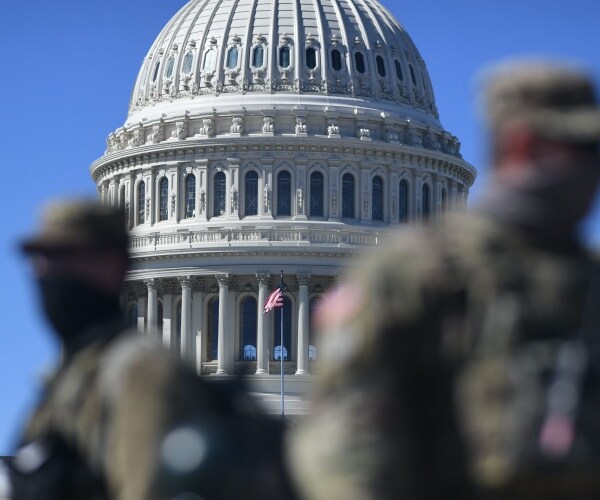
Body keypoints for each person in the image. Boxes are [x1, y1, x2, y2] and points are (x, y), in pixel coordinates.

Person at [288, 60, 600, 500]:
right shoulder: (416, 271)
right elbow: (343, 444)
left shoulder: (587, 279)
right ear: (522, 146)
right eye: (581, 150)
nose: (592, 169)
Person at [9, 200, 296, 500]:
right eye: (40, 259)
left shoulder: (141, 372)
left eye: (64, 258)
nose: (46, 272)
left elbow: (146, 490)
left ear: (111, 265)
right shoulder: (67, 380)